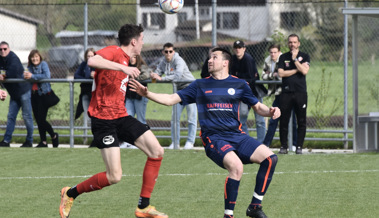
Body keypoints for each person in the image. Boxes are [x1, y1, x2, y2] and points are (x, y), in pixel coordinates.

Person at [130, 47, 280, 218]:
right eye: (209, 58)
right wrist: (147, 93)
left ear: (225, 62)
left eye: (214, 57)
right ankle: (228, 215)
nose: (210, 60)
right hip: (214, 138)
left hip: (237, 136)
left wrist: (271, 111)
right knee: (236, 167)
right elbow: (171, 99)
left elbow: (258, 107)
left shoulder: (239, 84)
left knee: (270, 159)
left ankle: (255, 207)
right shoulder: (199, 85)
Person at [59, 24, 168, 218]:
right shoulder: (114, 51)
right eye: (142, 39)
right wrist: (122, 67)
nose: (143, 43)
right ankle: (70, 193)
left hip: (121, 116)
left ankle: (143, 207)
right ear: (134, 41)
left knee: (157, 151)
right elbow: (92, 61)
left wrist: (142, 87)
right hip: (103, 120)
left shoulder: (128, 59)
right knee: (114, 176)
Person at [151, 42, 197, 149]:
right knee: (175, 118)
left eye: (170, 51)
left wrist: (162, 79)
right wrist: (154, 75)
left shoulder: (178, 60)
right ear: (163, 52)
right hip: (179, 90)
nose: (168, 54)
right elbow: (157, 73)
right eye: (166, 52)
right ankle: (175, 142)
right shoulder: (163, 62)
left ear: (173, 52)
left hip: (190, 89)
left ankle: (190, 142)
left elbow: (178, 76)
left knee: (191, 118)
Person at [277, 34, 310, 154]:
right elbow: (281, 73)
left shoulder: (304, 56)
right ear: (288, 44)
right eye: (290, 42)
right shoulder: (283, 57)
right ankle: (284, 146)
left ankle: (299, 147)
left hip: (300, 93)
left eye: (295, 42)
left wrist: (295, 59)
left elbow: (305, 71)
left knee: (301, 121)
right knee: (284, 120)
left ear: (299, 43)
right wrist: (297, 70)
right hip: (286, 92)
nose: (292, 44)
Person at [230, 40, 267, 143]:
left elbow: (251, 79)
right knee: (241, 118)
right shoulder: (232, 60)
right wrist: (240, 79)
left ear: (244, 49)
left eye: (240, 47)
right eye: (236, 47)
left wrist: (239, 78)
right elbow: (232, 77)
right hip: (241, 94)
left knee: (259, 120)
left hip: (254, 92)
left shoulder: (248, 59)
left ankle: (262, 143)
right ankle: (246, 142)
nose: (238, 49)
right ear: (234, 49)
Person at [262, 44, 298, 148]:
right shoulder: (268, 60)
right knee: (273, 118)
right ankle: (266, 144)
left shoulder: (285, 60)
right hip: (278, 94)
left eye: (275, 52)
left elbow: (286, 76)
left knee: (292, 120)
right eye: (271, 52)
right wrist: (272, 75)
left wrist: (277, 75)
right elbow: (263, 76)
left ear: (279, 52)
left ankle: (294, 144)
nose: (273, 54)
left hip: (289, 93)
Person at [0, 41, 34, 148]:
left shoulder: (13, 58)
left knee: (27, 116)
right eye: (0, 49)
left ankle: (29, 141)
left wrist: (2, 76)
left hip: (23, 91)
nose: (3, 51)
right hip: (14, 94)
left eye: (5, 49)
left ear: (9, 49)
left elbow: (12, 72)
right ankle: (6, 141)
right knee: (11, 116)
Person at [24, 50, 59, 148]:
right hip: (34, 96)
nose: (35, 59)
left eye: (36, 57)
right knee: (38, 119)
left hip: (43, 95)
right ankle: (43, 142)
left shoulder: (43, 65)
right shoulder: (29, 68)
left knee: (41, 119)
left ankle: (53, 135)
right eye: (32, 57)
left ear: (39, 57)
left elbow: (46, 76)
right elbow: (27, 78)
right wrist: (25, 76)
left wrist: (33, 76)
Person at [125, 55, 151, 124]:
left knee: (140, 120)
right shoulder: (126, 67)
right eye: (130, 57)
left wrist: (135, 78)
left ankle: (144, 134)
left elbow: (146, 75)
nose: (132, 59)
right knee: (128, 118)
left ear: (138, 58)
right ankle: (130, 135)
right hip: (129, 96)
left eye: (134, 57)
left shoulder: (142, 66)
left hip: (140, 96)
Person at [74, 48, 95, 123]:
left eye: (92, 56)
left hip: (94, 94)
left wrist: (95, 76)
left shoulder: (97, 65)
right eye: (88, 56)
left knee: (95, 115)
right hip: (85, 92)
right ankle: (87, 133)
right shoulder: (83, 64)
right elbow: (76, 76)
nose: (90, 58)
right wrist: (87, 78)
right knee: (87, 115)